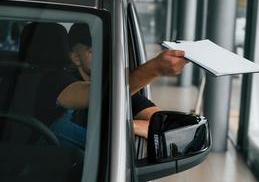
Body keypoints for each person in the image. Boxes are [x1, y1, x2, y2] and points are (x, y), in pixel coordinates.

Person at [36, 23, 188, 149]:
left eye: (108, 49)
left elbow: (164, 124)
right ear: (76, 58)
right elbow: (94, 94)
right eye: (93, 51)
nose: (104, 56)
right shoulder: (56, 80)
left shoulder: (124, 89)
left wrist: (127, 127)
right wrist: (155, 68)